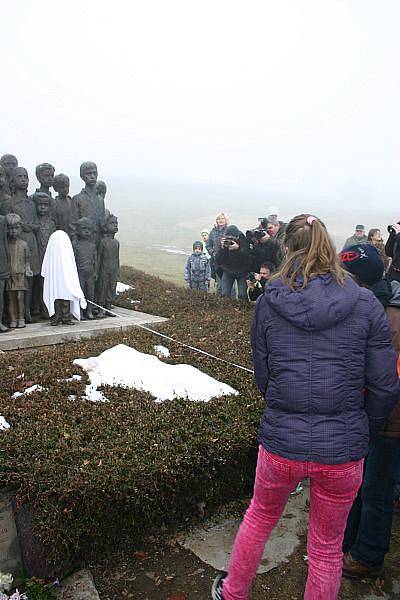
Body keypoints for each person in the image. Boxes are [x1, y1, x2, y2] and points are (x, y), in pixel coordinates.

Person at [211, 214, 400, 600]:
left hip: (282, 441)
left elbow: (264, 375)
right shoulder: (364, 304)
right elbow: (384, 386)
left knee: (260, 517)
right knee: (327, 547)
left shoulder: (269, 301)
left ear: (287, 249)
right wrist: (362, 428)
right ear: (329, 246)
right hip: (344, 448)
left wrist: (283, 408)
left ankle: (232, 592)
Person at [339, 246, 400, 580]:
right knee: (363, 486)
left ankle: (368, 556)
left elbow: (386, 381)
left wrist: (370, 420)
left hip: (387, 423)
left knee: (377, 491)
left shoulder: (387, 317)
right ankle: (349, 541)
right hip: (371, 419)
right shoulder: (371, 308)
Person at [215, 225, 251, 300]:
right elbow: (218, 260)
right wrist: (222, 248)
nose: (230, 240)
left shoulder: (243, 241)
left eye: (232, 238)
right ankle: (226, 310)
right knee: (225, 294)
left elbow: (247, 257)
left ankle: (244, 309)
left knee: (242, 294)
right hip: (228, 270)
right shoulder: (223, 242)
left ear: (237, 237)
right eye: (228, 238)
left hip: (242, 271)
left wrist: (238, 249)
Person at [206, 212, 229, 294]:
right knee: (219, 286)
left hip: (228, 262)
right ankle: (220, 304)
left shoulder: (230, 230)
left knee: (230, 287)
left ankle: (233, 304)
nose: (220, 220)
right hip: (217, 262)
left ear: (226, 220)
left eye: (222, 218)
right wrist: (212, 252)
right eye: (218, 219)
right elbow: (208, 245)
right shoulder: (213, 232)